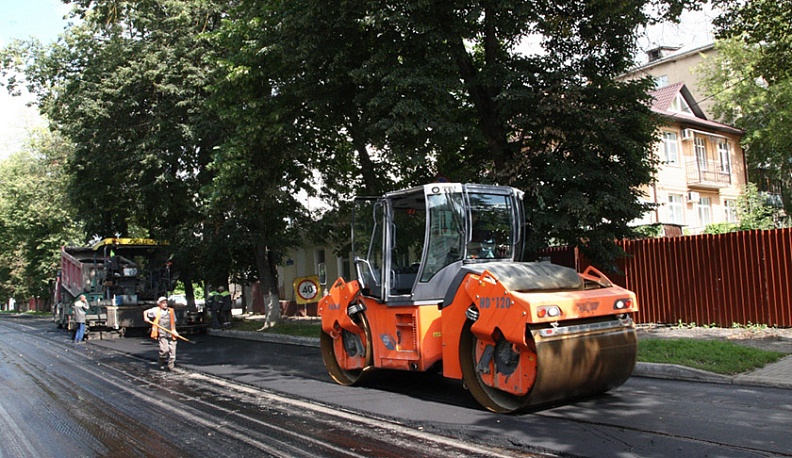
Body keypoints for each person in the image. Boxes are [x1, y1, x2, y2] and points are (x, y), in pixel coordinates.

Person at [143, 297, 180, 371]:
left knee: (173, 352)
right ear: (159, 304)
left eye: (166, 302)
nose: (165, 304)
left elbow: (174, 322)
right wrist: (146, 318)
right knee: (164, 350)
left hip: (171, 332)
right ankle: (160, 363)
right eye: (163, 303)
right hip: (162, 333)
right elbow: (145, 312)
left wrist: (174, 331)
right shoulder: (156, 310)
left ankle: (171, 366)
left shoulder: (171, 311)